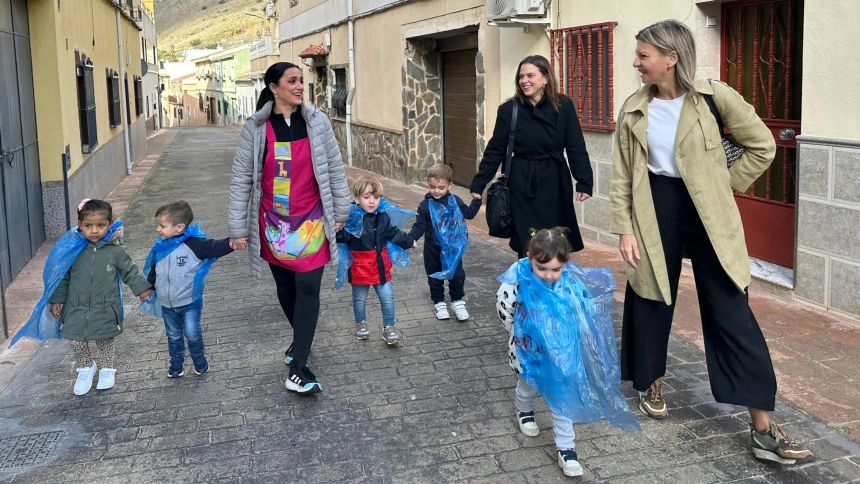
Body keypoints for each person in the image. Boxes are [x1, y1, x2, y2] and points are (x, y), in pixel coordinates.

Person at [610, 20, 814, 464]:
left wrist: (724, 184)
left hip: (708, 210)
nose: (636, 63)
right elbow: (623, 173)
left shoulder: (714, 98)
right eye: (638, 55)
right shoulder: (632, 109)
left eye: (643, 56)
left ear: (671, 58)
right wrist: (624, 227)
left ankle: (762, 428)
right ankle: (650, 379)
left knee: (731, 309)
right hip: (654, 205)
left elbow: (762, 145)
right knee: (650, 294)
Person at [228, 61, 350, 394]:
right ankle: (299, 343)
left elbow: (335, 170)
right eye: (292, 81)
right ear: (273, 87)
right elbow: (241, 181)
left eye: (302, 81)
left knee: (309, 289)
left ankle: (299, 368)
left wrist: (342, 210)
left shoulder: (318, 122)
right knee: (286, 289)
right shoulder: (255, 128)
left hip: (311, 221)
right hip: (273, 225)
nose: (299, 86)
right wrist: (238, 228)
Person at [496, 228, 639, 478]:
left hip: (563, 353)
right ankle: (524, 409)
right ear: (530, 257)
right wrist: (521, 334)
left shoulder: (571, 282)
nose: (549, 275)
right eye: (542, 269)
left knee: (562, 397)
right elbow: (505, 310)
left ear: (565, 264)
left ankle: (566, 449)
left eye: (555, 269)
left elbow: (583, 309)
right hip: (528, 350)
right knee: (528, 386)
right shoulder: (516, 280)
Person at [469, 55, 593, 258]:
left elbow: (576, 146)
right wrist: (479, 182)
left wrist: (584, 181)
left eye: (530, 75)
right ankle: (528, 283)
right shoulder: (509, 109)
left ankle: (552, 282)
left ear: (545, 78)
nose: (524, 80)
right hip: (522, 181)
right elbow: (496, 148)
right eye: (521, 76)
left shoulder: (563, 106)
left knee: (555, 239)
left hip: (554, 179)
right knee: (527, 241)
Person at [47, 199, 153, 395]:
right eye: (88, 226)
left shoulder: (115, 250)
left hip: (105, 306)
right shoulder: (74, 250)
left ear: (110, 225)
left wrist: (142, 289)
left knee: (104, 339)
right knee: (76, 340)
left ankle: (106, 369)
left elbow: (129, 271)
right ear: (80, 225)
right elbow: (63, 276)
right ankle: (86, 367)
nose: (94, 231)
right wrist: (56, 299)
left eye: (101, 225)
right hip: (75, 306)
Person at [145, 201, 239, 378]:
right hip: (167, 304)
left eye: (162, 226)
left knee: (192, 334)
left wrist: (232, 243)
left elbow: (214, 247)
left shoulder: (194, 244)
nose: (158, 229)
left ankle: (200, 362)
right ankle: (176, 366)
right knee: (173, 336)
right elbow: (154, 270)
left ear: (179, 227)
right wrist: (149, 288)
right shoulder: (161, 246)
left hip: (189, 302)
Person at [336, 177, 414, 346]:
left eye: (376, 197)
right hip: (359, 267)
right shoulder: (352, 218)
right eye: (367, 197)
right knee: (359, 299)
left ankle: (389, 328)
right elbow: (345, 237)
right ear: (357, 199)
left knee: (387, 298)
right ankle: (361, 324)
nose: (372, 201)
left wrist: (408, 242)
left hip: (380, 265)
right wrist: (338, 231)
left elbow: (394, 233)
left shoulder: (383, 216)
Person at [407, 164, 481, 321]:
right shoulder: (425, 205)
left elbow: (468, 214)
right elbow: (419, 226)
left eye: (441, 187)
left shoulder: (454, 201)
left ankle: (457, 301)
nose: (436, 191)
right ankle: (439, 302)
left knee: (457, 274)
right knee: (434, 275)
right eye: (432, 187)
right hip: (432, 248)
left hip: (452, 248)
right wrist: (411, 238)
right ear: (427, 183)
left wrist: (476, 201)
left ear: (449, 185)